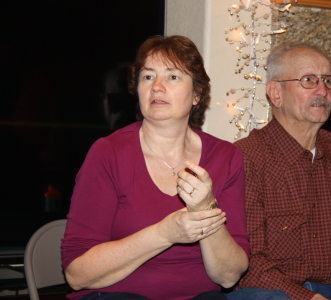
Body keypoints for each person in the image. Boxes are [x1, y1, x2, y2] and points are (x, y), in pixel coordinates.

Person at [61, 35, 250, 300]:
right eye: (148, 77)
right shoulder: (108, 153)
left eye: (173, 77)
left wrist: (206, 209)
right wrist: (165, 233)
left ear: (197, 94)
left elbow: (229, 276)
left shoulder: (226, 156)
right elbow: (77, 275)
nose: (157, 87)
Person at [229, 41, 331, 300]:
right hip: (268, 292)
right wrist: (308, 298)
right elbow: (248, 262)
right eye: (309, 80)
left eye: (328, 80)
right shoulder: (244, 157)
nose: (323, 90)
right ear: (275, 93)